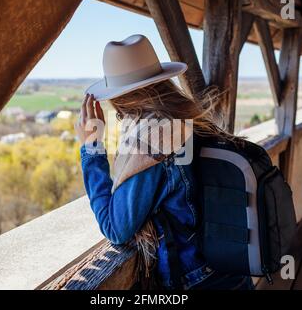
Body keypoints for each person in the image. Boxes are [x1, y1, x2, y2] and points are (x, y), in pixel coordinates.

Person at [75, 34, 253, 290]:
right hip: (232, 267)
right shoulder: (191, 121)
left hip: (198, 280)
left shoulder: (154, 142)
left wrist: (91, 148)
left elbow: (115, 228)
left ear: (119, 99)